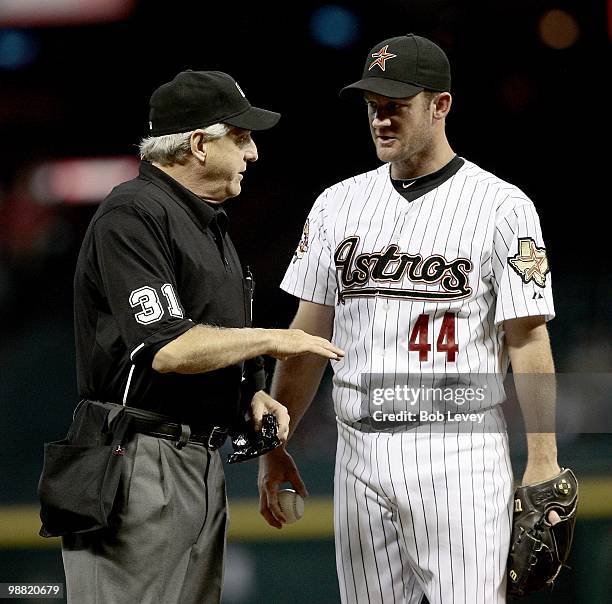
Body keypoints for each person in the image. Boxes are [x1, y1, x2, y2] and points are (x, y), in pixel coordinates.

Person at [258, 34, 561, 603]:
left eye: (396, 104)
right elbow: (306, 335)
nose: (381, 118)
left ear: (440, 106)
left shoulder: (503, 206)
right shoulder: (336, 205)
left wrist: (542, 459)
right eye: (373, 105)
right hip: (358, 454)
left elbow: (528, 337)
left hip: (458, 453)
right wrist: (279, 444)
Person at [63, 70, 344, 604]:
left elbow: (211, 340)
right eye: (241, 137)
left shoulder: (205, 223)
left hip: (196, 456)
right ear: (198, 143)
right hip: (137, 459)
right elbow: (168, 349)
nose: (253, 153)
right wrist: (275, 340)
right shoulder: (133, 213)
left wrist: (251, 395)